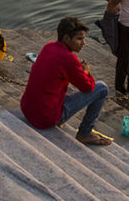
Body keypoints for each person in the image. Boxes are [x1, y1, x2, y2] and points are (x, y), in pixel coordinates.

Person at [20, 17, 112, 146]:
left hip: (28, 109)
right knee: (102, 88)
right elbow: (88, 87)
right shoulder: (69, 58)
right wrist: (87, 73)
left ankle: (67, 121)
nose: (83, 43)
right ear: (67, 38)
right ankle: (85, 133)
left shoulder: (49, 47)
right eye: (79, 39)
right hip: (45, 118)